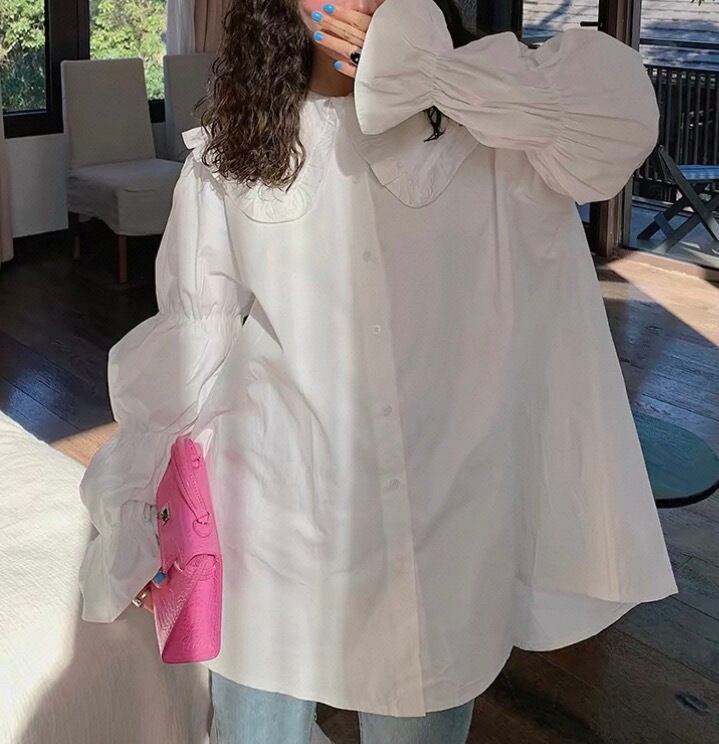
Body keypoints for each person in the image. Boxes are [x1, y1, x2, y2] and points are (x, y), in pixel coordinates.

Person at [77, 0, 679, 742]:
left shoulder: (492, 124)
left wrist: (419, 68)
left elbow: (619, 119)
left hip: (437, 533)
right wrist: (140, 512)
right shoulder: (231, 153)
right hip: (270, 516)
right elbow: (190, 340)